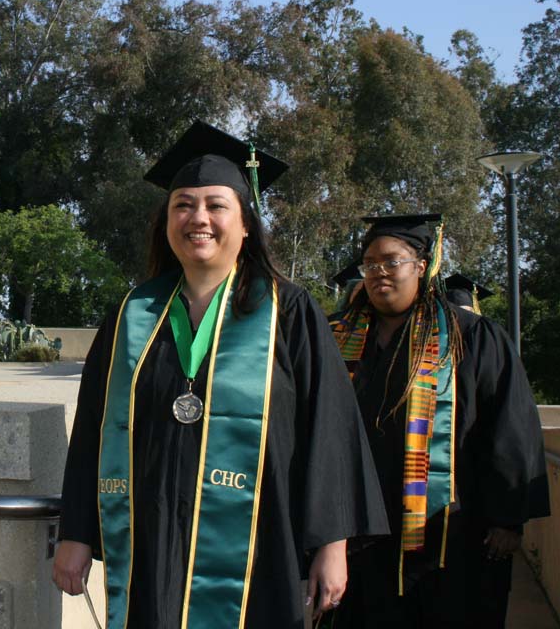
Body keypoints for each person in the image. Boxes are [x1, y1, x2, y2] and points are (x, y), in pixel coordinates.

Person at [52, 121, 388, 629]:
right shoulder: (133, 313)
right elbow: (94, 429)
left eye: (215, 205)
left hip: (256, 545)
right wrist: (76, 533)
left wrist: (331, 545)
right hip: (152, 535)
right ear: (166, 221)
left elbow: (331, 430)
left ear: (246, 223)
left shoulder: (287, 310)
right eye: (183, 204)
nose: (198, 218)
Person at [329, 214, 550, 628]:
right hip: (358, 529)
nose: (379, 273)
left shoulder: (471, 336)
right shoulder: (337, 337)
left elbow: (509, 427)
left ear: (422, 266)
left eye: (392, 262)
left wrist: (507, 519)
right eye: (370, 264)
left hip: (450, 536)